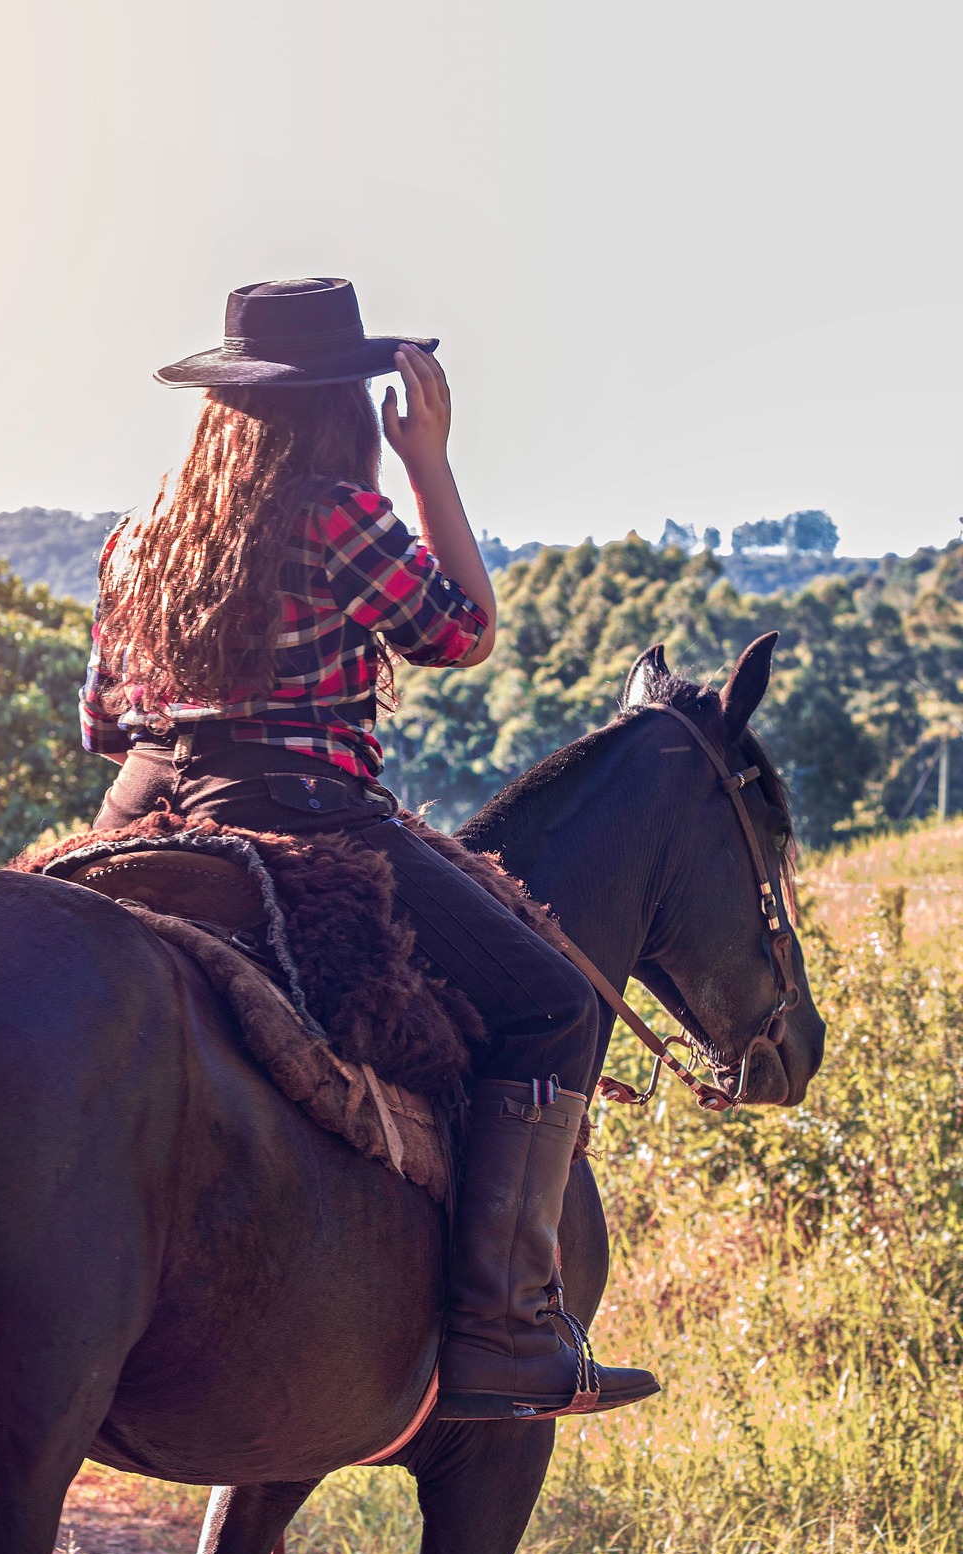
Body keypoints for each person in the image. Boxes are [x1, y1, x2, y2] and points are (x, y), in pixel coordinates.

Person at [80, 277, 657, 1420]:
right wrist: (429, 461)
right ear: (345, 401)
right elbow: (461, 632)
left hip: (137, 813)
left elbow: (101, 724)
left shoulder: (139, 538)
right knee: (553, 1006)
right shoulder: (338, 513)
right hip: (297, 808)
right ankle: (502, 1331)